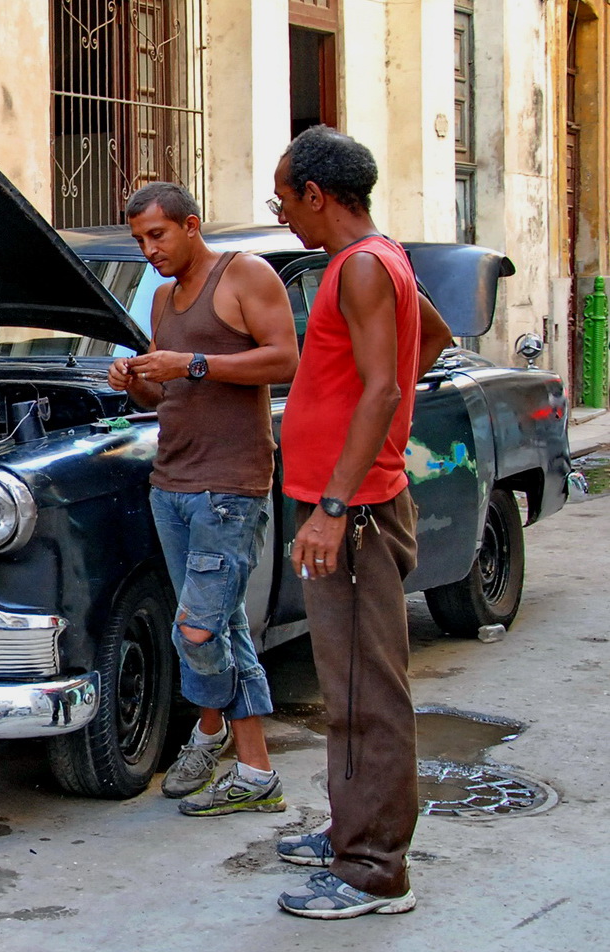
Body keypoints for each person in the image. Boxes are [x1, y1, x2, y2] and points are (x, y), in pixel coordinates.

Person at [269, 125, 454, 919]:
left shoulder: (365, 268)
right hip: (350, 500)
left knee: (362, 691)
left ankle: (376, 869)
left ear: (316, 194)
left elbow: (380, 388)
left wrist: (337, 505)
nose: (282, 215)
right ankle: (355, 829)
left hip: (357, 512)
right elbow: (432, 341)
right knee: (346, 684)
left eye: (283, 199)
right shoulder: (378, 261)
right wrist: (367, 409)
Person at [108, 182, 299, 817]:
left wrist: (190, 363)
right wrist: (135, 380)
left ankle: (210, 731)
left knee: (195, 628)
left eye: (157, 235)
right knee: (224, 624)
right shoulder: (162, 299)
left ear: (192, 225)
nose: (148, 250)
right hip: (172, 483)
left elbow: (285, 360)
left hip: (230, 484)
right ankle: (255, 770)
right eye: (138, 240)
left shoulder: (245, 276)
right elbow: (164, 400)